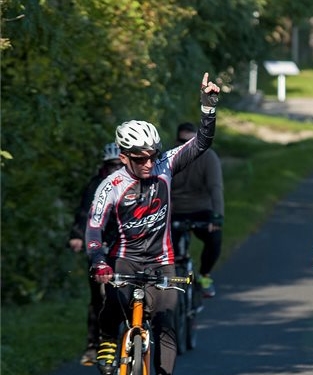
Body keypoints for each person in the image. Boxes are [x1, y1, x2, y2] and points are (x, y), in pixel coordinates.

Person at [86, 72, 220, 375]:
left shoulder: (165, 165)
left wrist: (208, 107)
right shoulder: (111, 185)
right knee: (111, 302)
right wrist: (98, 260)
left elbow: (201, 143)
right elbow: (94, 227)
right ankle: (107, 340)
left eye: (152, 156)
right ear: (123, 157)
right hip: (126, 260)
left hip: (162, 262)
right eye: (139, 158)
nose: (148, 164)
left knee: (166, 324)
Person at [68, 142, 123, 366]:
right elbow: (84, 213)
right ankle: (93, 345)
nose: (115, 169)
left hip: (125, 245)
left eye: (120, 164)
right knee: (97, 297)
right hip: (100, 244)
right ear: (104, 166)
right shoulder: (96, 185)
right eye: (111, 165)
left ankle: (139, 329)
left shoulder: (137, 184)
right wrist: (77, 236)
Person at [171, 122, 224, 304]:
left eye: (193, 142)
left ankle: (204, 275)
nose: (187, 147)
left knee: (215, 238)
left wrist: (217, 216)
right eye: (182, 142)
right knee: (167, 250)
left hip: (201, 209)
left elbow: (215, 188)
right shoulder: (168, 158)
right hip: (174, 210)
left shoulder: (208, 157)